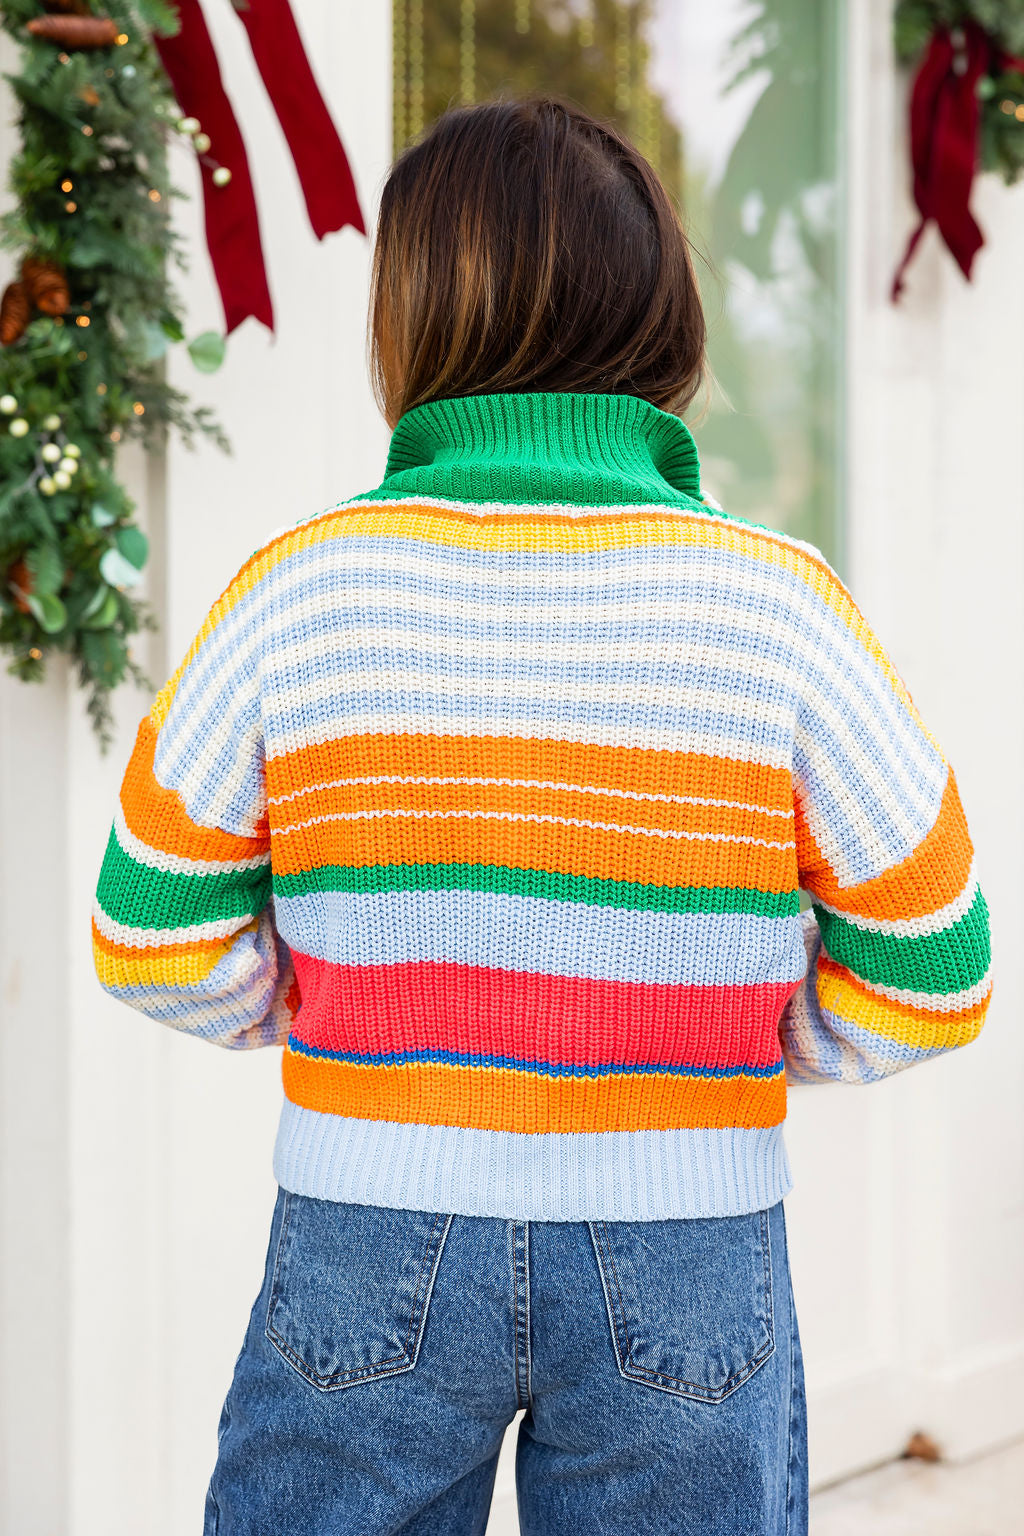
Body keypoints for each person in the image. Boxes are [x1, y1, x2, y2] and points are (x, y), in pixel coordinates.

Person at [92, 97, 992, 1536]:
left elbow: (150, 935)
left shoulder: (297, 589)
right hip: (688, 1233)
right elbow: (934, 968)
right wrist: (728, 1036)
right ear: (667, 321)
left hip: (365, 1222)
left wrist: (341, 1009)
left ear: (408, 326)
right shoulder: (777, 603)